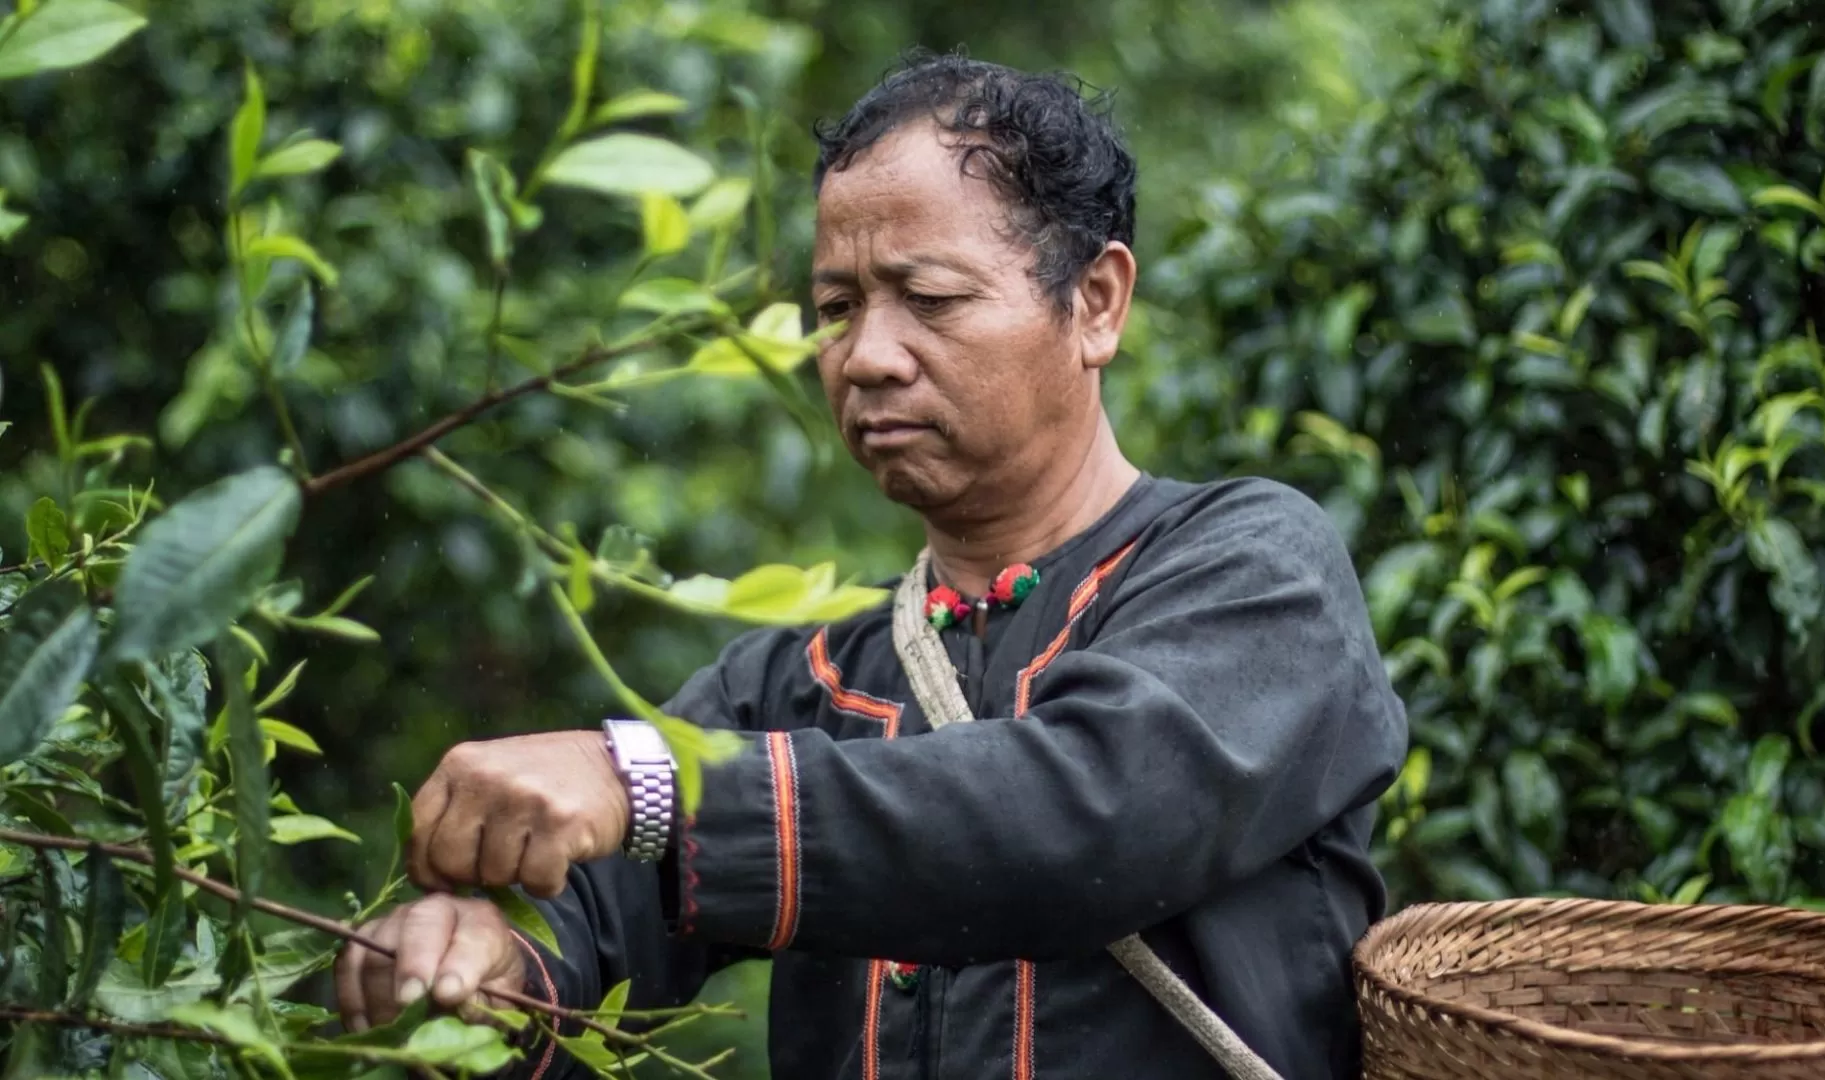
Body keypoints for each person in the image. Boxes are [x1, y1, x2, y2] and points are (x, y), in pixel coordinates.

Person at [333, 53, 1408, 1080]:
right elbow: (598, 905)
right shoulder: (795, 683)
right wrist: (477, 947)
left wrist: (639, 779)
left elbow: (1083, 814)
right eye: (837, 309)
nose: (867, 356)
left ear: (1095, 304)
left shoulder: (1256, 572)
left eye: (931, 299)